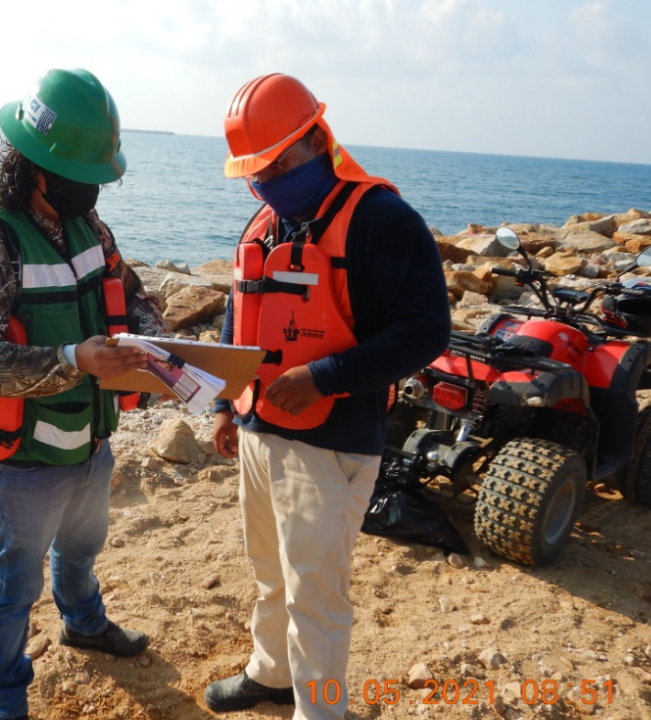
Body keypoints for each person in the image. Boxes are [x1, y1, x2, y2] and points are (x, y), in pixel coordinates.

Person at [204, 74, 451, 719]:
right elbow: (239, 315)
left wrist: (323, 377)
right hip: (259, 432)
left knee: (316, 592)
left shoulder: (383, 220)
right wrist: (223, 405)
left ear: (318, 138)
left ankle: (319, 711)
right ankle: (271, 672)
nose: (265, 181)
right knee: (270, 572)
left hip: (332, 443)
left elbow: (427, 330)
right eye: (254, 170)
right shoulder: (265, 222)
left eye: (279, 164)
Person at [0, 68, 166, 720]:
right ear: (39, 169)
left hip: (90, 442)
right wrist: (74, 360)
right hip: (23, 460)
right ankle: (5, 699)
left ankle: (84, 623)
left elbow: (129, 293)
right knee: (14, 583)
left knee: (81, 551)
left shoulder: (91, 226)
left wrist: (162, 350)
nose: (95, 189)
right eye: (86, 175)